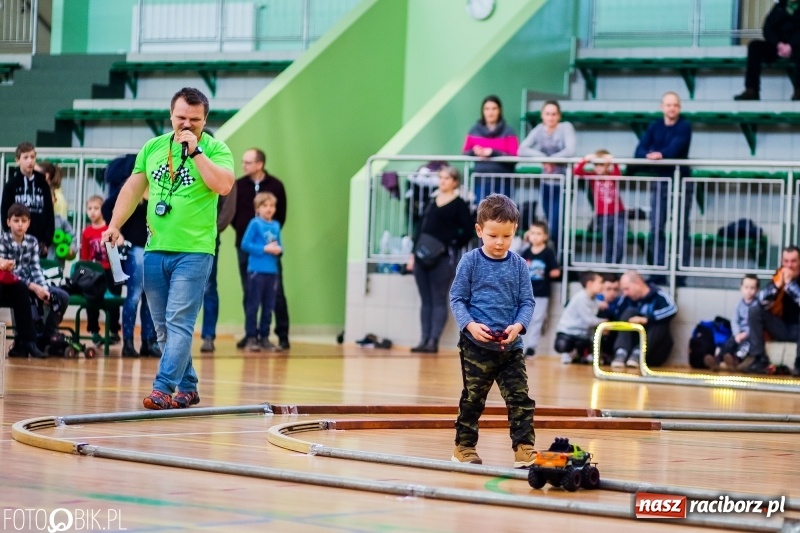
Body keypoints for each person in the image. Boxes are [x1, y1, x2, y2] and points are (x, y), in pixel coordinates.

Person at [103, 87, 235, 410]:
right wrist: (114, 224)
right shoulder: (153, 148)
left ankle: (163, 388)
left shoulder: (216, 149)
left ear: (205, 120)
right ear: (170, 115)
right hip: (155, 249)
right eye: (181, 118)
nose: (186, 125)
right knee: (163, 328)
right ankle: (188, 386)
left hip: (194, 251)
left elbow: (224, 185)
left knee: (179, 323)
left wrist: (197, 152)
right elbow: (133, 188)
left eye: (194, 120)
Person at [449, 193, 537, 468]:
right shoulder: (470, 262)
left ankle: (524, 448)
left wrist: (519, 326)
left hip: (511, 347)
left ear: (514, 232)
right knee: (473, 398)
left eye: (507, 236)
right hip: (476, 347)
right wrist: (470, 326)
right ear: (479, 231)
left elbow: (527, 301)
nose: (500, 243)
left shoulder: (519, 265)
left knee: (520, 398)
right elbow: (457, 298)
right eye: (493, 235)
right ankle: (463, 447)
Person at [406, 166, 474, 354]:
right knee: (425, 300)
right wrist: (413, 254)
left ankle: (433, 340)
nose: (442, 181)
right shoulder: (430, 201)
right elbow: (420, 229)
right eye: (441, 177)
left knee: (438, 299)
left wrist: (452, 244)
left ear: (455, 182)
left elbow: (468, 230)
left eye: (447, 178)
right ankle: (424, 339)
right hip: (422, 255)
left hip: (443, 257)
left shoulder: (459, 204)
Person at [230, 148, 290, 351]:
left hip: (269, 252)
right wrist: (242, 229)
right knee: (250, 293)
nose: (243, 166)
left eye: (247, 162)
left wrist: (270, 242)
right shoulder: (238, 185)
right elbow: (231, 212)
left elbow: (281, 216)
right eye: (243, 162)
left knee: (275, 295)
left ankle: (281, 336)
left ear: (259, 164)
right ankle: (251, 335)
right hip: (245, 248)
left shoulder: (276, 186)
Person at [102, 154, 160, 358]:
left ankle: (148, 341)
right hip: (135, 248)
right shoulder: (132, 186)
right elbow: (107, 206)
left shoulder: (159, 188)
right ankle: (128, 342)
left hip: (154, 248)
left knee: (151, 297)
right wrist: (116, 229)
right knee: (134, 295)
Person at [632, 92, 692, 282]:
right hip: (661, 181)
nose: (672, 108)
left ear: (679, 108)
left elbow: (674, 150)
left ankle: (680, 275)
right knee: (656, 226)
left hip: (681, 182)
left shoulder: (684, 126)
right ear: (662, 107)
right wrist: (653, 154)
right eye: (668, 105)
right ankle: (658, 272)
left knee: (681, 228)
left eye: (675, 105)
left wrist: (658, 155)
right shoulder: (655, 126)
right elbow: (639, 150)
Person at [0, 203, 69, 355]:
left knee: (61, 296)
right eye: (16, 220)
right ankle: (25, 341)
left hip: (33, 283)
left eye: (23, 221)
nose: (20, 224)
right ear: (8, 222)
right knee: (23, 291)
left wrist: (43, 288)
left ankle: (46, 338)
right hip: (16, 286)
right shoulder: (3, 241)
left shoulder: (32, 242)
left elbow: (36, 268)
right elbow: (8, 275)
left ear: (29, 223)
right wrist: (34, 287)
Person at [518, 100, 576, 257]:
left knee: (557, 224)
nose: (551, 117)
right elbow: (522, 148)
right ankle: (550, 258)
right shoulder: (538, 130)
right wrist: (543, 157)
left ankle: (559, 258)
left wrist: (552, 160)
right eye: (547, 114)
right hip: (546, 183)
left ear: (559, 116)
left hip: (564, 183)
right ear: (542, 116)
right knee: (549, 223)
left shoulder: (566, 127)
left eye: (554, 114)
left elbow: (570, 150)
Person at [745, 246, 800, 376]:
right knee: (754, 310)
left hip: (798, 329)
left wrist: (790, 284)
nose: (789, 265)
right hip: (781, 326)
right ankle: (759, 359)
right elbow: (760, 301)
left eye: (793, 261)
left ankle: (799, 363)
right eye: (786, 261)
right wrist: (776, 286)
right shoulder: (778, 275)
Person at [240, 192, 283, 352]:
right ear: (257, 209)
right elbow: (245, 244)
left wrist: (278, 250)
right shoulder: (255, 224)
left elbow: (281, 246)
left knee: (269, 306)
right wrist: (264, 248)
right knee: (253, 305)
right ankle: (251, 337)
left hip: (272, 272)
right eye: (265, 206)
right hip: (256, 271)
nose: (269, 209)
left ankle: (264, 336)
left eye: (272, 206)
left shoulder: (276, 225)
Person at [734, 0, 800, 101]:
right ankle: (752, 90)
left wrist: (790, 46)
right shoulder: (779, 7)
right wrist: (779, 44)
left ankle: (798, 91)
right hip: (779, 47)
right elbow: (767, 28)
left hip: (796, 47)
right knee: (754, 46)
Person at [611, 270, 677, 369]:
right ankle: (621, 352)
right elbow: (615, 315)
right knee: (628, 313)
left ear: (637, 283)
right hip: (630, 349)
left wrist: (647, 319)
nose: (625, 293)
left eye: (627, 289)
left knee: (659, 321)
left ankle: (639, 352)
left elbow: (672, 309)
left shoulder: (658, 295)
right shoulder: (626, 299)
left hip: (654, 351)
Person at [200, 182, 237, 353]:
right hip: (181, 236)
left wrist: (212, 231)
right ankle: (168, 337)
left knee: (208, 287)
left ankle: (208, 336)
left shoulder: (221, 168)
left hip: (208, 237)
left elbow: (227, 211)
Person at [80, 195, 121, 346]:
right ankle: (94, 331)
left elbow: (114, 252)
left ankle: (113, 331)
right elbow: (84, 257)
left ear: (102, 210)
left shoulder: (108, 229)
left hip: (110, 271)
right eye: (89, 208)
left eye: (96, 208)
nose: (92, 212)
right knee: (92, 302)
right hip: (94, 274)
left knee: (113, 301)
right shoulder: (86, 232)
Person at [1, 142, 55, 258]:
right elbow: (5, 213)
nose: (30, 161)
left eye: (32, 157)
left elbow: (49, 214)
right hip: (16, 241)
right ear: (17, 160)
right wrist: (10, 237)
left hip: (39, 243)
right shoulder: (11, 185)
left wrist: (46, 241)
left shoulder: (43, 184)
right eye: (25, 157)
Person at [462, 95, 519, 202]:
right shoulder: (473, 130)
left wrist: (493, 152)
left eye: (494, 108)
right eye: (487, 109)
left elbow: (514, 157)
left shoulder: (509, 131)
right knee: (482, 214)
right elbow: (465, 153)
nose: (490, 112)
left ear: (500, 110)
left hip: (503, 181)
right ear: (482, 111)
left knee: (503, 215)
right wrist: (475, 151)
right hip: (480, 181)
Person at [574, 150, 626, 264]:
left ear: (607, 166)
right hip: (603, 215)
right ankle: (608, 267)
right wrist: (585, 160)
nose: (598, 168)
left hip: (619, 213)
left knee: (620, 240)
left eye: (601, 165)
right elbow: (577, 172)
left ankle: (615, 265)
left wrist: (613, 161)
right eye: (596, 165)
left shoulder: (612, 175)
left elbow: (618, 175)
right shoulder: (592, 176)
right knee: (607, 242)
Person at [518, 220, 560, 357]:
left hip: (542, 292)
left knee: (537, 319)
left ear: (545, 236)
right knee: (524, 319)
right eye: (532, 233)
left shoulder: (548, 252)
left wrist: (546, 272)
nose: (535, 237)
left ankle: (531, 347)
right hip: (526, 292)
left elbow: (555, 271)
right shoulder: (526, 251)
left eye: (538, 234)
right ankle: (520, 345)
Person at [554, 271, 606, 364]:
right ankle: (569, 352)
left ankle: (579, 354)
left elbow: (595, 305)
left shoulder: (593, 299)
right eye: (600, 282)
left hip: (583, 334)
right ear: (590, 284)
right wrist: (604, 322)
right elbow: (589, 321)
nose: (602, 285)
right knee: (564, 344)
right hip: (569, 332)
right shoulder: (581, 298)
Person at [711, 274, 759, 371]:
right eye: (746, 287)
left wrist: (746, 334)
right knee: (729, 343)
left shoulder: (757, 305)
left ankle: (735, 360)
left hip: (750, 335)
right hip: (738, 333)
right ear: (741, 288)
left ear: (757, 290)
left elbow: (757, 324)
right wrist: (737, 334)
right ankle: (717, 359)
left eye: (752, 288)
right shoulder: (738, 305)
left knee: (745, 348)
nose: (749, 291)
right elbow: (734, 320)